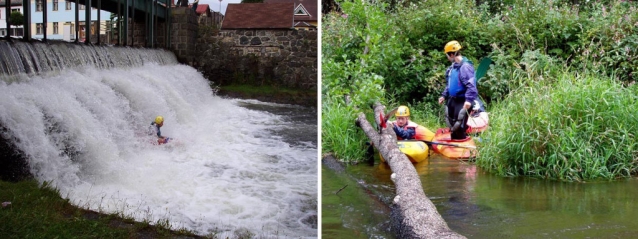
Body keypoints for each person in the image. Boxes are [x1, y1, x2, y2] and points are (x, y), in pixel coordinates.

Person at [438, 40, 478, 140]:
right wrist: (444, 95)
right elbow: (450, 85)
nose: (447, 57)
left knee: (459, 126)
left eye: (447, 55)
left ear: (452, 54)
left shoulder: (465, 67)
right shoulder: (452, 68)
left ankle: (463, 148)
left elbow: (471, 86)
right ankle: (454, 145)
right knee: (451, 124)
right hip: (452, 100)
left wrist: (468, 100)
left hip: (463, 101)